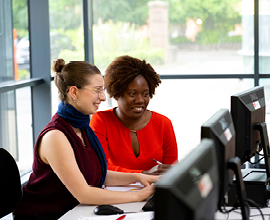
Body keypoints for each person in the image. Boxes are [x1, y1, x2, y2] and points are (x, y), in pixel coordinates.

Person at [13, 59, 158, 220]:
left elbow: (96, 174)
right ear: (74, 92)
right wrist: (139, 196)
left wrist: (139, 177)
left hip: (74, 212)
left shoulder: (82, 128)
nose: (103, 97)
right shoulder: (56, 136)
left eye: (102, 90)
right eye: (97, 90)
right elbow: (84, 194)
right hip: (46, 216)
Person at [90, 55, 178, 174]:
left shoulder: (163, 123)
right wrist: (143, 174)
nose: (140, 100)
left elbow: (171, 170)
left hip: (153, 190)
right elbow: (101, 167)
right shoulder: (101, 120)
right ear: (116, 94)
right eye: (132, 94)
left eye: (145, 94)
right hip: (115, 192)